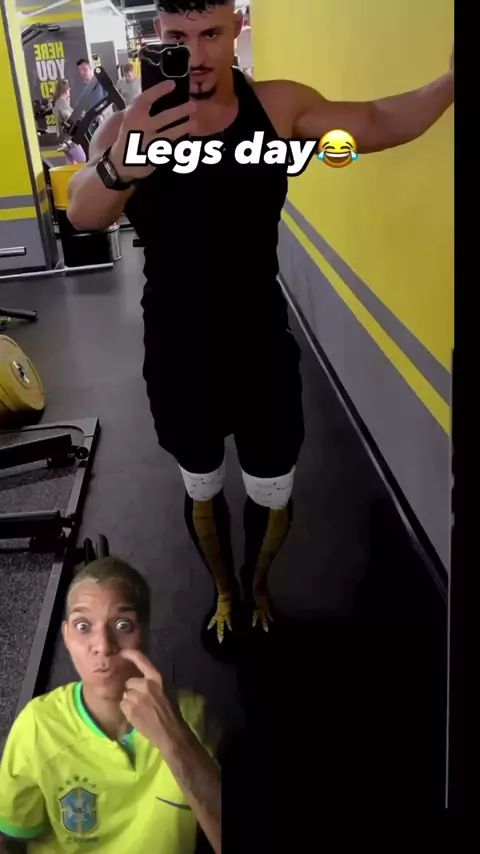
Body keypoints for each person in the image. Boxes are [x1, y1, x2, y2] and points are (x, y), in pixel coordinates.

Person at [66, 0, 454, 656]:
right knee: (201, 482)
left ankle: (258, 586)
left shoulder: (275, 108)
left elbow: (377, 121)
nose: (197, 54)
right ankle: (224, 592)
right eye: (179, 36)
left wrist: (451, 82)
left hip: (260, 340)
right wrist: (127, 162)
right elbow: (83, 213)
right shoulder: (131, 124)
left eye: (211, 33)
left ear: (237, 28)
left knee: (273, 486)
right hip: (178, 347)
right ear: (158, 34)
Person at [0, 557, 221, 853]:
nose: (103, 645)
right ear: (66, 637)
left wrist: (174, 738)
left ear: (145, 632)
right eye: (83, 626)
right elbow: (8, 838)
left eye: (122, 625)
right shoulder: (37, 727)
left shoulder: (193, 716)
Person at [51, 79, 87, 165]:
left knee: (72, 164)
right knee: (82, 160)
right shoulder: (62, 103)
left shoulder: (57, 102)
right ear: (65, 90)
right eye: (68, 89)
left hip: (62, 140)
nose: (69, 91)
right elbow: (68, 117)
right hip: (68, 139)